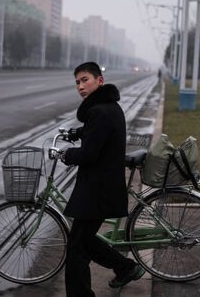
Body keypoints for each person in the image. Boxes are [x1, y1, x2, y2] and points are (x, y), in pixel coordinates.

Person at [59, 61, 144, 296]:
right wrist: (78, 133)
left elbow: (89, 154)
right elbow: (97, 134)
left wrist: (67, 154)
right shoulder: (108, 107)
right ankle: (126, 267)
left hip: (98, 190)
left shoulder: (99, 112)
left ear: (99, 81)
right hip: (100, 187)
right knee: (84, 241)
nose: (80, 86)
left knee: (77, 247)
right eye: (77, 82)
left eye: (85, 79)